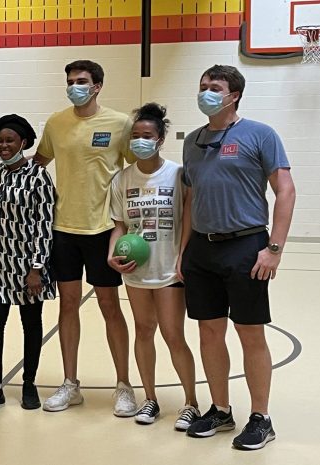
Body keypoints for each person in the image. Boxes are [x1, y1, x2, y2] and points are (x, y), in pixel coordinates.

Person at [180, 65, 295, 450]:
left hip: (246, 245)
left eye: (215, 87)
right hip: (201, 248)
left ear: (234, 95)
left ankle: (261, 418)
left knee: (250, 333)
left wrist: (273, 248)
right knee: (209, 332)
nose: (206, 93)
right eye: (202, 86)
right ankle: (221, 409)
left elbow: (285, 190)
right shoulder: (192, 141)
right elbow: (192, 197)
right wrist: (184, 252)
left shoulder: (260, 134)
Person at [34, 60, 137, 415]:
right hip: (63, 229)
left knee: (110, 306)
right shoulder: (56, 123)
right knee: (67, 305)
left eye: (81, 81)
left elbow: (135, 171)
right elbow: (38, 163)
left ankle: (123, 385)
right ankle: (70, 384)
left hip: (103, 229)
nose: (74, 86)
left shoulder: (120, 123)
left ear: (97, 86)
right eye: (70, 81)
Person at [107, 103, 199, 428]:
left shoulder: (176, 174)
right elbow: (119, 226)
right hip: (136, 271)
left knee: (174, 335)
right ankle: (150, 399)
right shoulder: (121, 179)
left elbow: (187, 218)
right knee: (144, 331)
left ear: (160, 139)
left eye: (147, 135)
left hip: (170, 270)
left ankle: (191, 402)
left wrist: (182, 256)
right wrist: (111, 254)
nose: (140, 141)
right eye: (135, 136)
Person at [0, 114, 55, 412]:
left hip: (28, 267)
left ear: (23, 142)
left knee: (31, 324)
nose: (4, 145)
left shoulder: (38, 176)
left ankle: (29, 384)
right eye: (0, 140)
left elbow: (44, 224)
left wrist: (37, 268)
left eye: (9, 140)